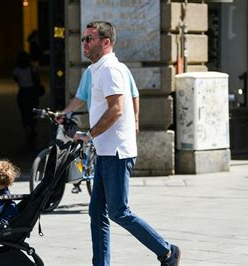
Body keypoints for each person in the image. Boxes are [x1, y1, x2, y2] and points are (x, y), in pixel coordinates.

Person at [73, 21, 181, 266]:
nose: (84, 43)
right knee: (96, 212)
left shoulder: (110, 69)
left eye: (89, 39)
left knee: (118, 212)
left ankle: (167, 252)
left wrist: (89, 135)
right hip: (106, 151)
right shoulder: (96, 70)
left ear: (106, 42)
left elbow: (116, 110)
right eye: (83, 39)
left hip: (117, 153)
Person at [57, 65, 140, 135]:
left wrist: (135, 121)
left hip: (119, 128)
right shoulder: (89, 71)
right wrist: (64, 113)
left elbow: (134, 95)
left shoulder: (122, 69)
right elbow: (80, 98)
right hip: (97, 125)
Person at [13, 52, 41, 139]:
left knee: (24, 112)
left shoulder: (17, 69)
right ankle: (33, 128)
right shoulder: (31, 68)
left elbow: (16, 79)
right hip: (31, 92)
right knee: (33, 111)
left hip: (22, 92)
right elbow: (37, 79)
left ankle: (27, 130)